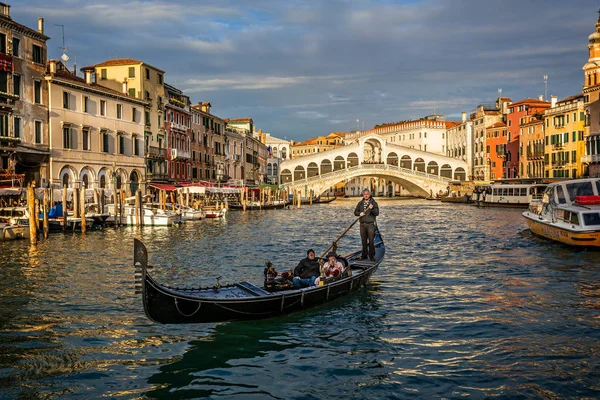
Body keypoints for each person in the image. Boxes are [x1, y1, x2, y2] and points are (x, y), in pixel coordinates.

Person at [354, 189, 379, 261]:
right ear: (363, 195)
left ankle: (371, 256)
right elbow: (355, 212)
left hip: (370, 224)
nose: (366, 195)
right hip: (362, 224)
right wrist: (359, 213)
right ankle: (364, 255)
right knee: (363, 241)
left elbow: (377, 213)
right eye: (364, 194)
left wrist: (372, 209)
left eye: (367, 194)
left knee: (371, 241)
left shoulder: (373, 203)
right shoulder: (360, 203)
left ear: (369, 194)